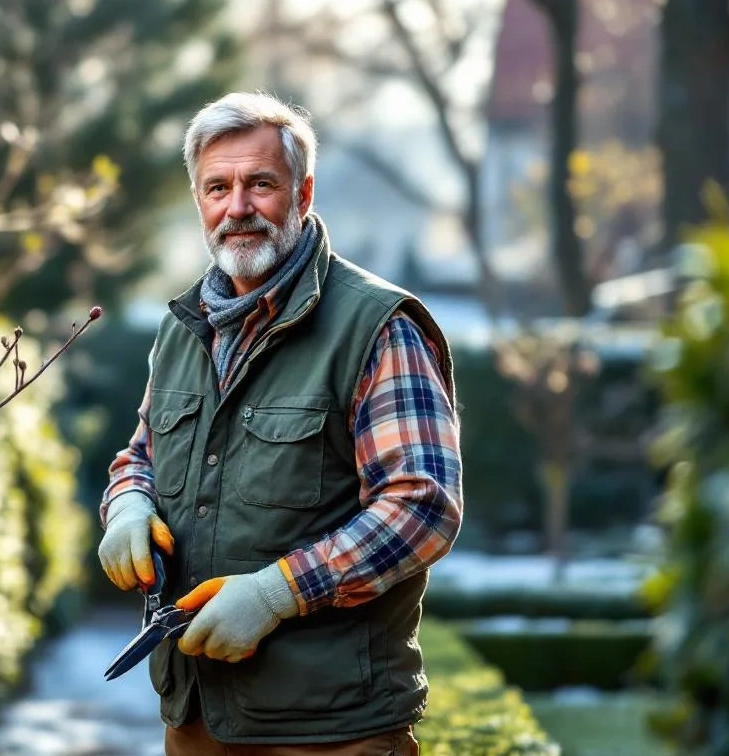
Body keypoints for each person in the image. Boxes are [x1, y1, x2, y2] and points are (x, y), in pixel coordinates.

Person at [97, 92, 464, 756]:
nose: (237, 207)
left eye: (260, 183)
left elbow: (422, 507)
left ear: (303, 192)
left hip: (333, 731)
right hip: (197, 719)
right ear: (199, 200)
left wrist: (278, 593)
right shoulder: (183, 329)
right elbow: (141, 456)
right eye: (218, 187)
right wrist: (126, 504)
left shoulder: (377, 327)